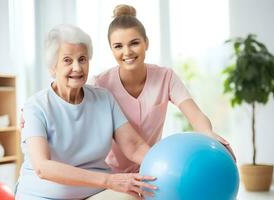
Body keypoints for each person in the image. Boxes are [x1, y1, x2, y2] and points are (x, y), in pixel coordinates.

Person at [15, 24, 157, 200]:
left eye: (82, 59)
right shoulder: (35, 107)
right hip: (43, 195)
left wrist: (166, 165)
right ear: (53, 67)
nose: (77, 67)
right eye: (67, 60)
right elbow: (42, 167)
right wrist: (109, 180)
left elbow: (134, 147)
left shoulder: (104, 99)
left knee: (136, 196)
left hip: (93, 193)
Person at [90, 4, 236, 173]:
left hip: (154, 168)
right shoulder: (100, 84)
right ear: (111, 49)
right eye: (118, 46)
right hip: (112, 174)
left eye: (134, 43)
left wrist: (207, 132)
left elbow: (195, 115)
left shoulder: (166, 77)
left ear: (146, 43)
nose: (127, 52)